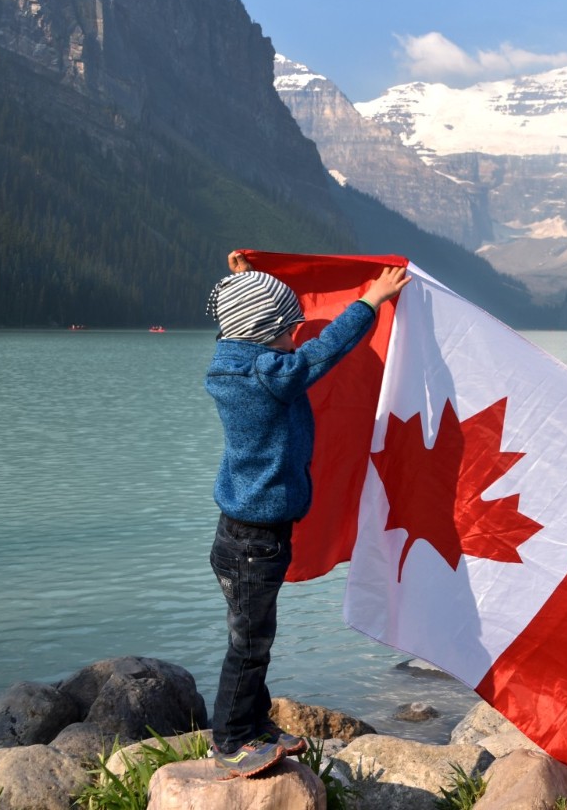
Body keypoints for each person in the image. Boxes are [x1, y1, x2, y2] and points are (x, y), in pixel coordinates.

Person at [203, 252, 410, 777]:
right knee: (248, 645)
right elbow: (323, 353)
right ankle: (229, 739)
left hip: (239, 535)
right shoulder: (271, 377)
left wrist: (245, 279)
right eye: (287, 330)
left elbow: (249, 323)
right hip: (256, 540)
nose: (297, 335)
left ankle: (254, 721)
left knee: (253, 636)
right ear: (266, 333)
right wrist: (369, 302)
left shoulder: (232, 362)